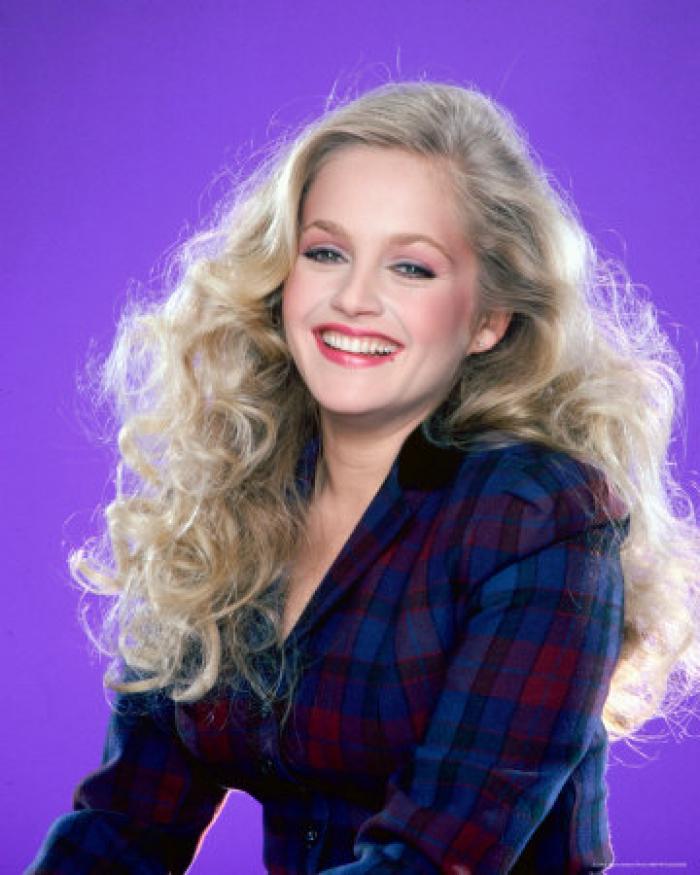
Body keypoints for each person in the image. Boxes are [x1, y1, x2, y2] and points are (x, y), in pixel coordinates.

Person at [28, 81, 700, 874]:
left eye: (411, 267)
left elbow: (431, 861)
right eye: (326, 252)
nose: (353, 298)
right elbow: (126, 824)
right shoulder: (233, 496)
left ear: (488, 319)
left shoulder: (538, 515)